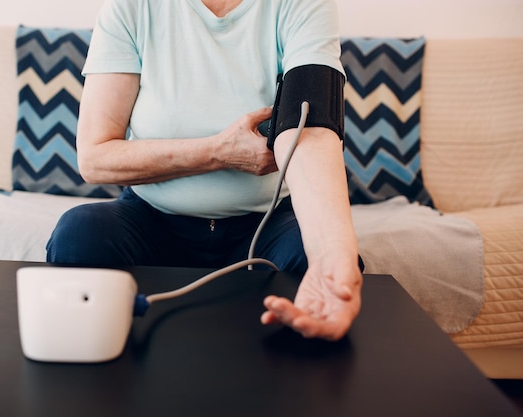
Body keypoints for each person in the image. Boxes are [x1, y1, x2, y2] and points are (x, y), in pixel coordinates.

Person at [47, 0, 363, 341]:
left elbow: (311, 131)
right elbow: (94, 158)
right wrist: (219, 152)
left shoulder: (302, 4)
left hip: (266, 225)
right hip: (152, 221)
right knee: (79, 234)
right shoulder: (131, 7)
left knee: (323, 263)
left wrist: (331, 257)